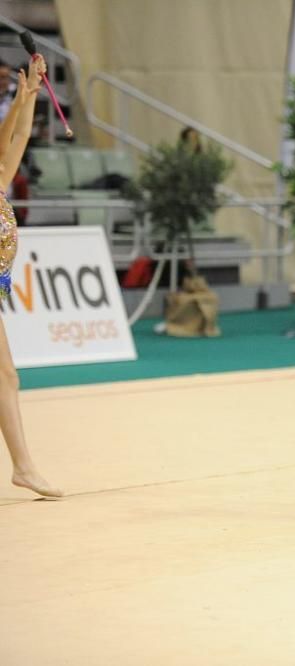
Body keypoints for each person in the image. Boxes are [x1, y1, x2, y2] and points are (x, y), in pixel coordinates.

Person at [0, 55, 62, 497]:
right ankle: (23, 465)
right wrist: (19, 101)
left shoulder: (2, 178)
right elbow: (5, 140)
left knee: (6, 376)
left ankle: (23, 466)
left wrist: (31, 97)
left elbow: (16, 139)